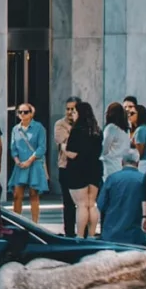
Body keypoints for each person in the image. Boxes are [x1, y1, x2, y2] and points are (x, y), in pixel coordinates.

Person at [62, 101, 105, 238]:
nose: (73, 114)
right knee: (91, 204)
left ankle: (80, 237)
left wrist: (63, 148)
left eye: (75, 112)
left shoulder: (77, 130)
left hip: (78, 169)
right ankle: (91, 235)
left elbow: (72, 154)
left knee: (81, 205)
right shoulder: (98, 131)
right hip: (94, 168)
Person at [8, 103, 48, 222]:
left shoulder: (39, 127)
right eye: (20, 112)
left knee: (33, 194)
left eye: (25, 112)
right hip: (20, 164)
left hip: (34, 163)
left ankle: (35, 223)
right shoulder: (15, 129)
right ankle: (17, 222)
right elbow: (13, 147)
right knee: (17, 195)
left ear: (31, 114)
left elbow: (41, 147)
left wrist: (30, 160)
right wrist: (16, 160)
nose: (22, 114)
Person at [96, 155, 146, 246]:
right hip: (136, 237)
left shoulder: (112, 178)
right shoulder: (144, 179)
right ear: (138, 163)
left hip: (111, 235)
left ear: (122, 163)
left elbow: (101, 204)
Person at [55, 98, 78, 236]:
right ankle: (69, 232)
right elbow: (66, 144)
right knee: (68, 203)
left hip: (82, 167)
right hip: (66, 166)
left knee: (82, 204)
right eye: (68, 109)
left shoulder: (85, 123)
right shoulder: (60, 124)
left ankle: (83, 232)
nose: (69, 112)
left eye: (73, 109)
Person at [101, 102, 134, 174]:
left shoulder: (111, 128)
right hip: (123, 165)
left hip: (111, 166)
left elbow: (104, 150)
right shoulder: (126, 129)